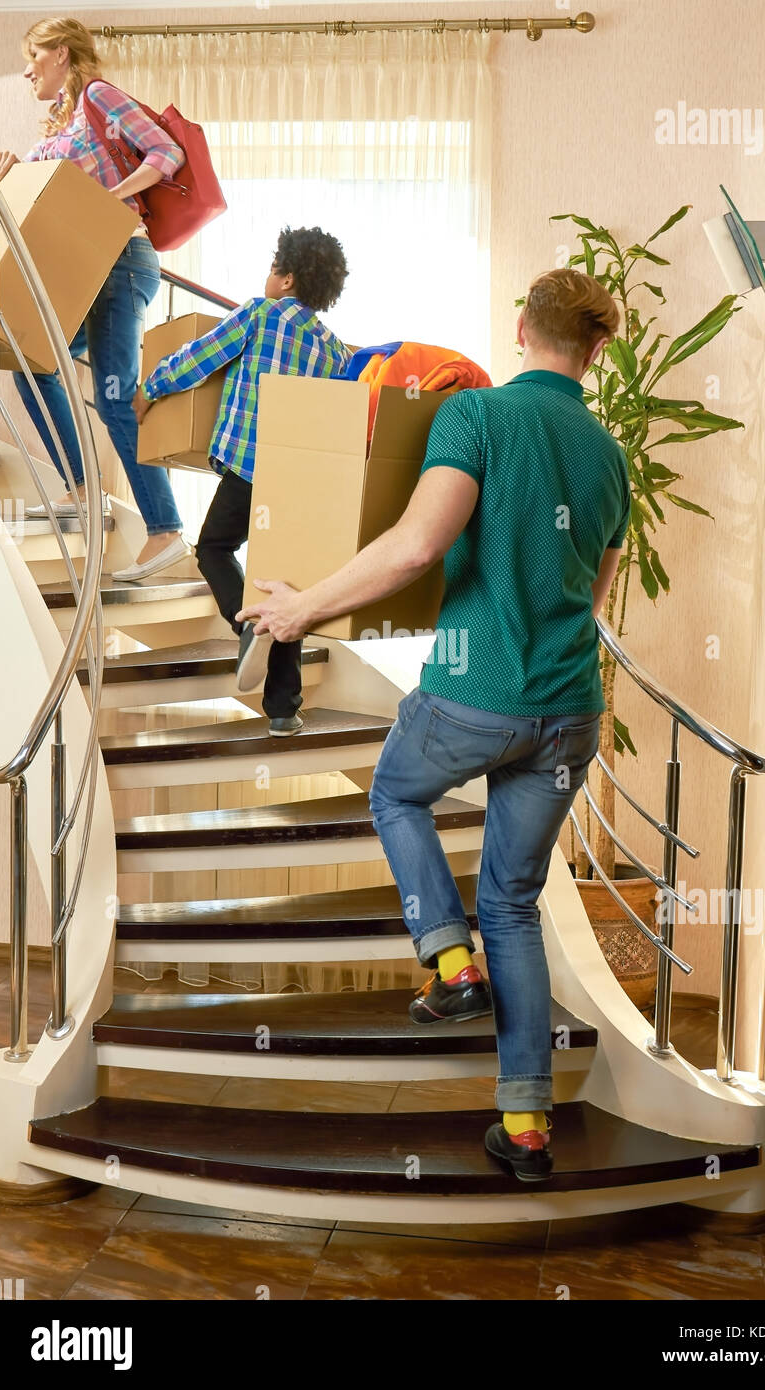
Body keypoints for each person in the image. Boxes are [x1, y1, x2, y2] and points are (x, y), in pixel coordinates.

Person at [236, 268, 630, 1181]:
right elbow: (592, 595)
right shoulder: (609, 455)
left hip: (475, 694)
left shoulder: (478, 418)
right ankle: (527, 1130)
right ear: (595, 349)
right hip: (570, 713)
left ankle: (451, 964)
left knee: (394, 793)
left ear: (523, 329)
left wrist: (303, 612)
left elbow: (416, 543)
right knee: (516, 905)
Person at [0, 17, 190, 582]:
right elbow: (49, 196)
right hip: (88, 272)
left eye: (33, 56)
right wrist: (13, 172)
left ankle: (166, 529)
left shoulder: (99, 97)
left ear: (60, 53)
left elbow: (165, 153)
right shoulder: (58, 123)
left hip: (121, 261)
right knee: (34, 366)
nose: (27, 69)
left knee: (114, 393)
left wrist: (109, 199)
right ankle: (82, 488)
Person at [134, 226, 350, 735]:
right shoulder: (335, 350)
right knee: (285, 584)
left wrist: (151, 388)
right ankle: (284, 711)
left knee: (212, 547)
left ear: (287, 277)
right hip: (297, 479)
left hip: (248, 465)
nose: (267, 275)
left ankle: (248, 624)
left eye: (273, 266)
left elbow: (200, 357)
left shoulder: (258, 314)